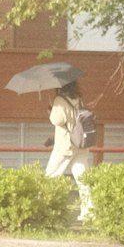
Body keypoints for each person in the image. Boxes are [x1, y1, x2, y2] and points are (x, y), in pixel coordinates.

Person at [45, 81, 93, 221]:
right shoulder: (78, 98)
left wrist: (50, 111)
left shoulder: (60, 100)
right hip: (80, 144)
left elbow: (56, 120)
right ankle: (89, 211)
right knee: (83, 179)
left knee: (50, 175)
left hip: (65, 145)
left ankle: (45, 208)